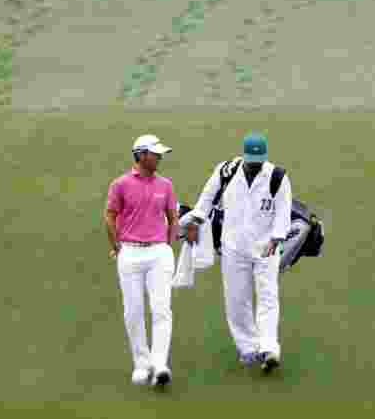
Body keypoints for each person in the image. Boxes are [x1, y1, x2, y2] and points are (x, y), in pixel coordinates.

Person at [182, 132, 292, 372]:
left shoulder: (277, 177)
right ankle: (248, 348)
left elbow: (284, 211)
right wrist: (196, 221)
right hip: (233, 247)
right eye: (251, 162)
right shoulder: (226, 171)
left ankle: (269, 348)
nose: (254, 167)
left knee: (268, 297)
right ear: (244, 157)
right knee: (236, 299)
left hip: (266, 247)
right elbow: (207, 197)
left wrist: (277, 237)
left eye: (258, 162)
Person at [105, 134, 179, 387]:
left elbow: (173, 216)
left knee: (161, 310)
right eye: (155, 154)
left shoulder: (166, 185)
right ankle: (141, 363)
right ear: (141, 155)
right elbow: (110, 215)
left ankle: (160, 365)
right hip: (130, 253)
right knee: (133, 311)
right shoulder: (120, 184)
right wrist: (117, 245)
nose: (159, 158)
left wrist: (167, 247)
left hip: (159, 253)